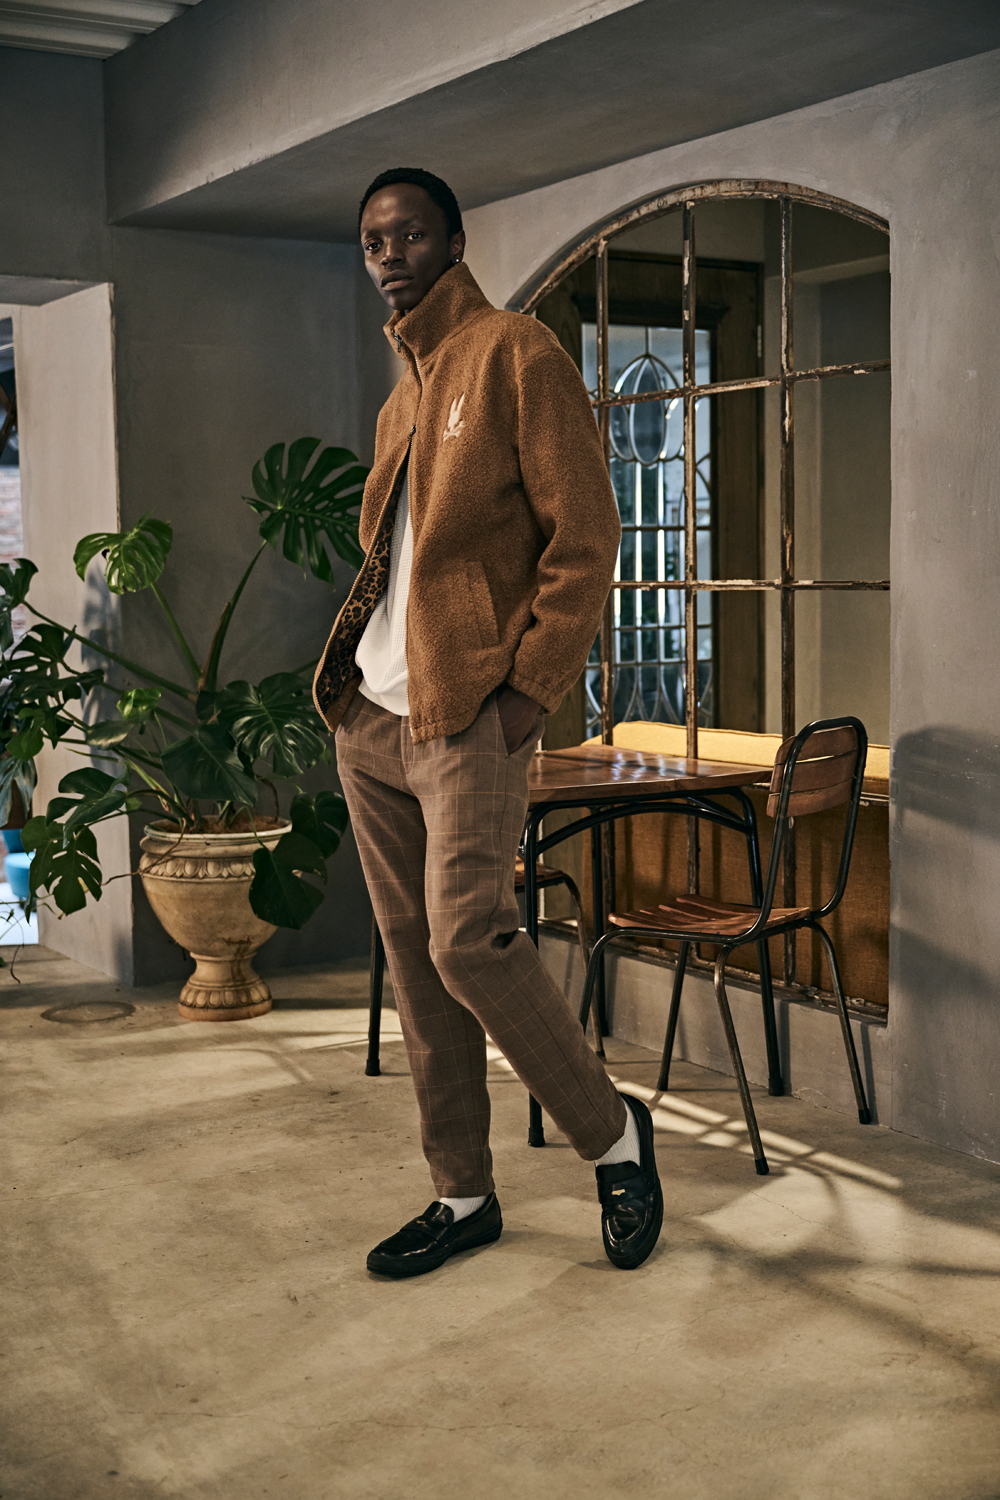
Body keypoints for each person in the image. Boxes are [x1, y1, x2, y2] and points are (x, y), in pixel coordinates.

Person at [313, 166, 662, 1278]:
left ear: (454, 242)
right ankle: (461, 1193)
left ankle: (613, 1135)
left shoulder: (517, 352)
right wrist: (354, 697)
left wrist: (529, 692)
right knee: (419, 968)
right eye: (373, 241)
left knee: (470, 940)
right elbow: (398, 562)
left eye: (410, 233)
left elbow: (586, 538)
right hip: (373, 715)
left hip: (468, 715)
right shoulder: (401, 397)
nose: (390, 254)